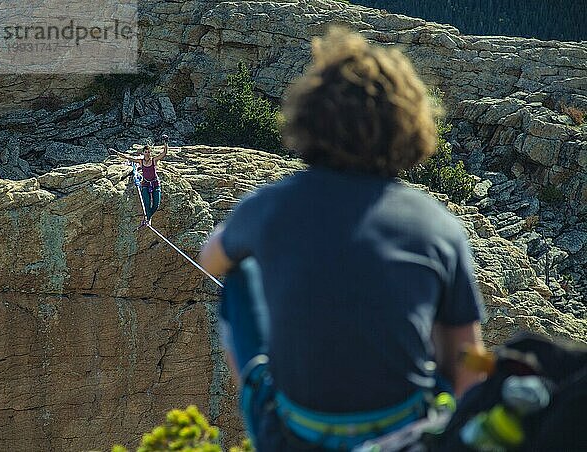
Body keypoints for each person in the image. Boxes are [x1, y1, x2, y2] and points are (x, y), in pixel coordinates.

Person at [199, 28, 486, 451]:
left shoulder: (271, 205)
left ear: (308, 118)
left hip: (297, 433)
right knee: (440, 311)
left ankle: (268, 399)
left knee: (240, 275)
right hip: (405, 430)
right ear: (411, 126)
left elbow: (210, 260)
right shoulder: (436, 222)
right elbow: (470, 360)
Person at [109, 135, 168, 227]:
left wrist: (165, 143)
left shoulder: (154, 160)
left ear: (150, 153)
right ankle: (147, 220)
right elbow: (128, 157)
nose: (147, 154)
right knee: (147, 203)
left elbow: (164, 153)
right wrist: (117, 153)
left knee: (156, 204)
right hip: (145, 184)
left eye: (148, 152)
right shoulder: (140, 161)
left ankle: (147, 219)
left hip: (155, 184)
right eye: (145, 152)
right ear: (143, 153)